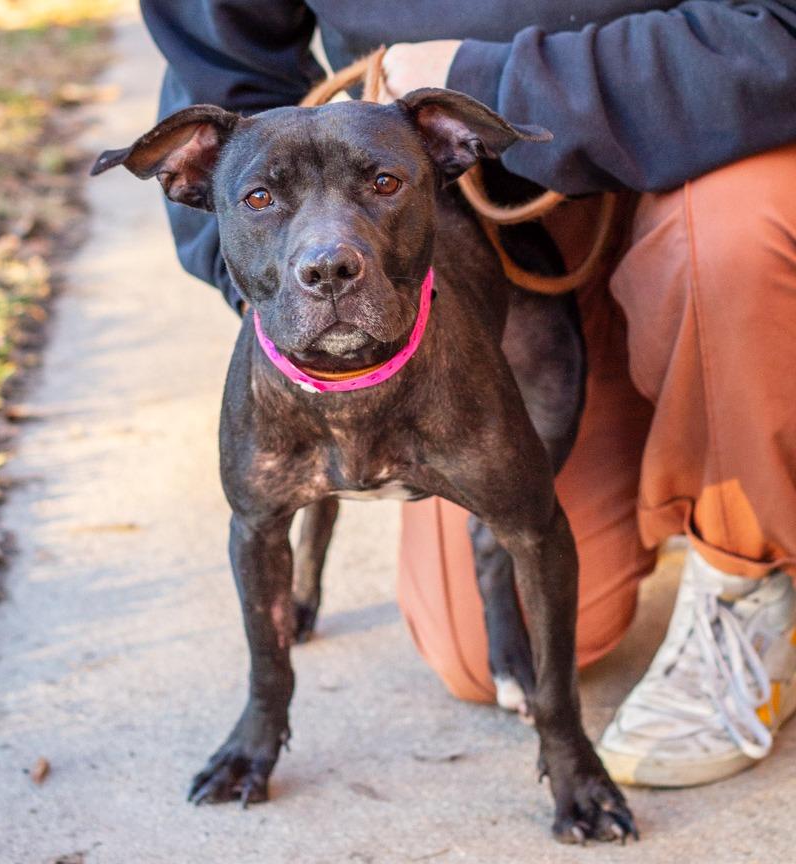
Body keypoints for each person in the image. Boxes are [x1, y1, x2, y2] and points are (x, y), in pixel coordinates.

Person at [139, 0, 796, 788]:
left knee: (733, 242)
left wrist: (485, 79)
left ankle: (746, 567)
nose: (324, 255)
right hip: (476, 237)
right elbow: (226, 71)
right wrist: (274, 297)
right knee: (482, 658)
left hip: (709, 153)